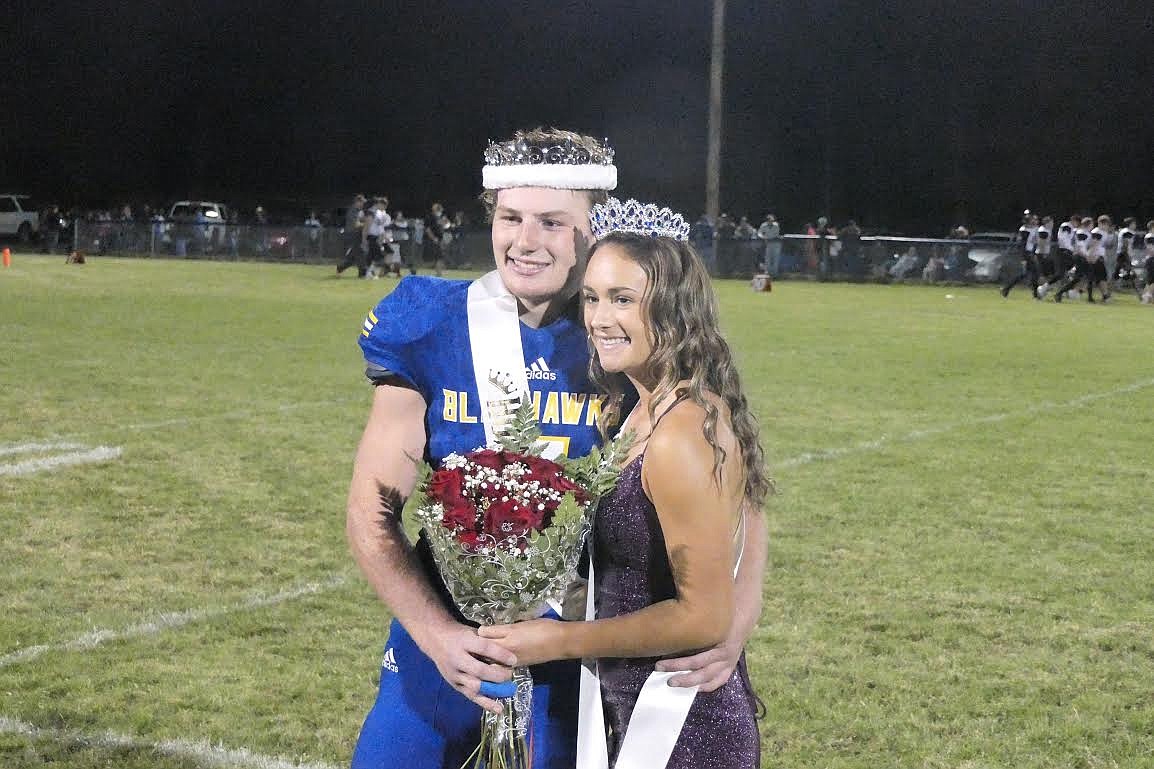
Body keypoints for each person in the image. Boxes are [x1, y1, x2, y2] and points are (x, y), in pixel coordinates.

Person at [346, 129, 768, 769]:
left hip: (581, 654)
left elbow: (737, 491)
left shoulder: (627, 331)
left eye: (552, 222)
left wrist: (736, 618)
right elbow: (372, 513)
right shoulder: (431, 323)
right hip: (447, 645)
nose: (525, 241)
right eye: (510, 218)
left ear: (593, 231)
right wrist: (437, 636)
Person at [480, 201, 769, 769]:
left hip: (683, 728)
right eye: (591, 297)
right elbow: (748, 510)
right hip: (632, 707)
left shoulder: (679, 433)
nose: (598, 318)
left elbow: (703, 616)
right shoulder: (640, 409)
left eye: (622, 299)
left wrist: (557, 641)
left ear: (675, 309)